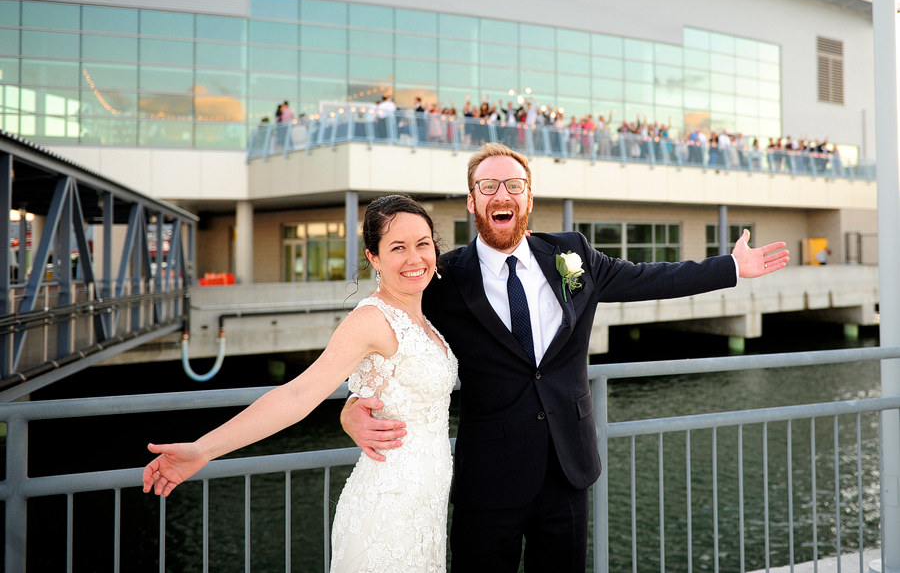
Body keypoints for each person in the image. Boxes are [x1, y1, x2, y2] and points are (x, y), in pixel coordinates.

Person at [342, 142, 789, 573]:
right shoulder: (443, 277)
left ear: (529, 198)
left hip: (567, 471)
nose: (503, 194)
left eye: (514, 185)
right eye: (489, 186)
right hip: (489, 481)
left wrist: (731, 267)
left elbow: (651, 278)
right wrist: (350, 410)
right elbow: (392, 341)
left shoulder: (572, 254)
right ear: (472, 201)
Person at [143, 194, 457, 573]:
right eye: (398, 247)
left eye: (423, 244)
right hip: (387, 510)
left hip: (426, 512)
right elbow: (297, 395)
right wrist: (203, 450)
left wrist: (351, 408)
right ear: (373, 258)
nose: (414, 258)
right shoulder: (372, 319)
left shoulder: (425, 318)